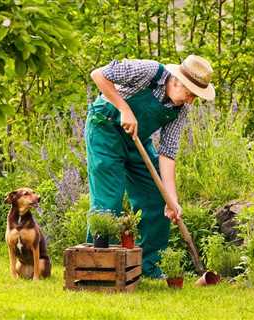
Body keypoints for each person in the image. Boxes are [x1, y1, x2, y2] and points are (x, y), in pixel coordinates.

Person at [85, 55, 215, 278]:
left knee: (158, 199)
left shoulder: (179, 109)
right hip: (104, 129)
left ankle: (149, 267)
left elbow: (168, 153)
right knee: (109, 201)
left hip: (137, 140)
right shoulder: (148, 71)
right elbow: (98, 74)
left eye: (195, 96)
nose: (191, 100)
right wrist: (124, 109)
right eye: (190, 93)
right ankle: (98, 268)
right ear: (176, 81)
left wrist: (171, 199)